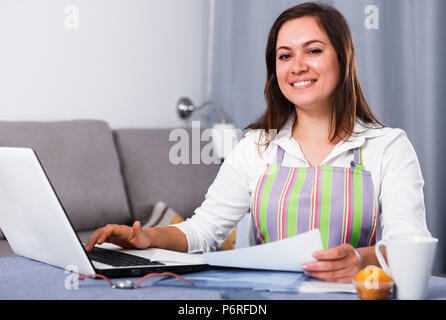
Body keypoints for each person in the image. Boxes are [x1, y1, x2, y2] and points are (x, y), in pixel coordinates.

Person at [84, 2, 431, 283]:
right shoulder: (255, 146)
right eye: (284, 56)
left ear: (343, 59)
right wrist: (148, 239)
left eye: (312, 51)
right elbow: (205, 231)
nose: (297, 66)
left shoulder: (387, 146)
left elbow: (408, 246)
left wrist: (359, 259)